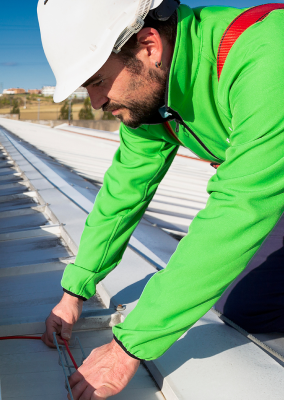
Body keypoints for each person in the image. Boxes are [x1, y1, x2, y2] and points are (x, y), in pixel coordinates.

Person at [36, 0, 284, 398]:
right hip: (274, 179)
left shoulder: (265, 53)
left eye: (98, 80)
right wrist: (74, 292)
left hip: (264, 186)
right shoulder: (151, 99)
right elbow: (124, 192)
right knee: (246, 306)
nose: (96, 102)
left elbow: (241, 205)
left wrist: (128, 346)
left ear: (148, 45)